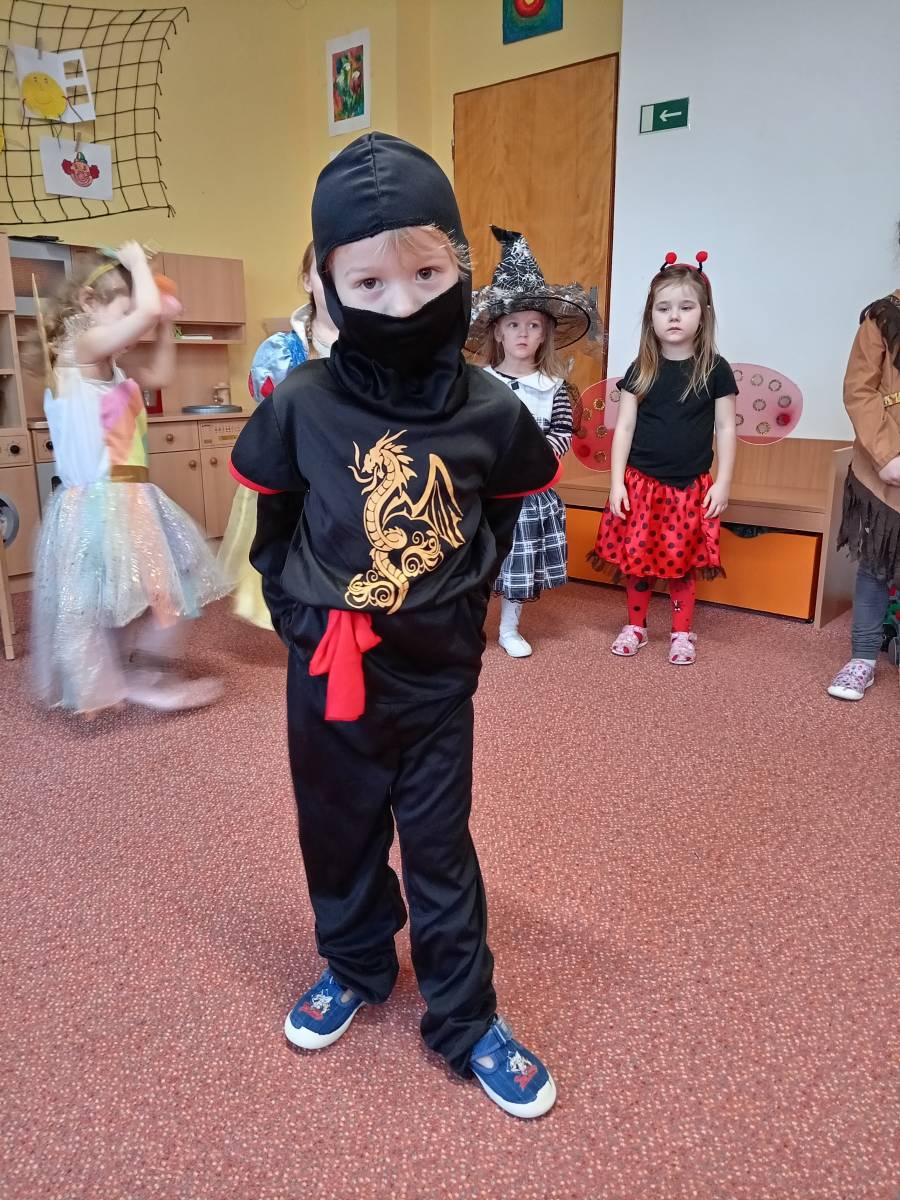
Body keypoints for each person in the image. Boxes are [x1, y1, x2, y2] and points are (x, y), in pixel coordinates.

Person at [230, 133, 560, 1118]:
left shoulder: (492, 410)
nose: (404, 305)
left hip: (434, 685)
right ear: (329, 287)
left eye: (426, 275)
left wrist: (460, 616)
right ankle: (354, 962)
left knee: (440, 848)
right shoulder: (302, 403)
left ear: (459, 268)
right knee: (336, 833)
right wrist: (300, 618)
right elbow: (274, 524)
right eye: (368, 282)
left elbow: (501, 519)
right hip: (330, 672)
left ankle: (465, 1017)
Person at [29, 242, 227, 716]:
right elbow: (143, 317)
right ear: (88, 303)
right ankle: (100, 685)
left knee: (169, 584)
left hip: (132, 497)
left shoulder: (113, 366)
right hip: (94, 501)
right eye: (124, 314)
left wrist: (164, 326)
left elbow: (159, 373)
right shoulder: (77, 352)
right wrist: (139, 267)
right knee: (87, 600)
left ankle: (139, 668)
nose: (132, 332)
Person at [591, 251, 737, 665]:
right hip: (640, 485)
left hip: (689, 488)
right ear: (650, 317)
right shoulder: (641, 368)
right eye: (664, 308)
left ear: (703, 316)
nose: (674, 316)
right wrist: (616, 483)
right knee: (638, 563)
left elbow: (726, 429)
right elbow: (624, 428)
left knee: (681, 565)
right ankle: (636, 626)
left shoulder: (715, 369)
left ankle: (681, 633)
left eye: (686, 307)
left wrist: (723, 482)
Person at [468, 226, 595, 658]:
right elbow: (468, 432)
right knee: (477, 559)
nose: (523, 333)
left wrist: (531, 460)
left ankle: (509, 628)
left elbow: (560, 434)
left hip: (529, 493)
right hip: (483, 490)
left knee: (519, 562)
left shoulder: (554, 387)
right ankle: (469, 625)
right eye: (514, 325)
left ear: (545, 334)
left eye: (533, 326)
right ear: (498, 332)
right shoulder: (479, 383)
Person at [218, 243, 337, 629]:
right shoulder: (283, 349)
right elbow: (271, 415)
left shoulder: (375, 344)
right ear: (307, 280)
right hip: (295, 477)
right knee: (291, 564)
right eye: (323, 271)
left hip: (348, 473)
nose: (334, 281)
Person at [827, 237, 900, 700]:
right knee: (875, 567)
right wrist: (887, 454)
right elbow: (859, 390)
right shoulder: (882, 317)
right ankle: (863, 658)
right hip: (884, 470)